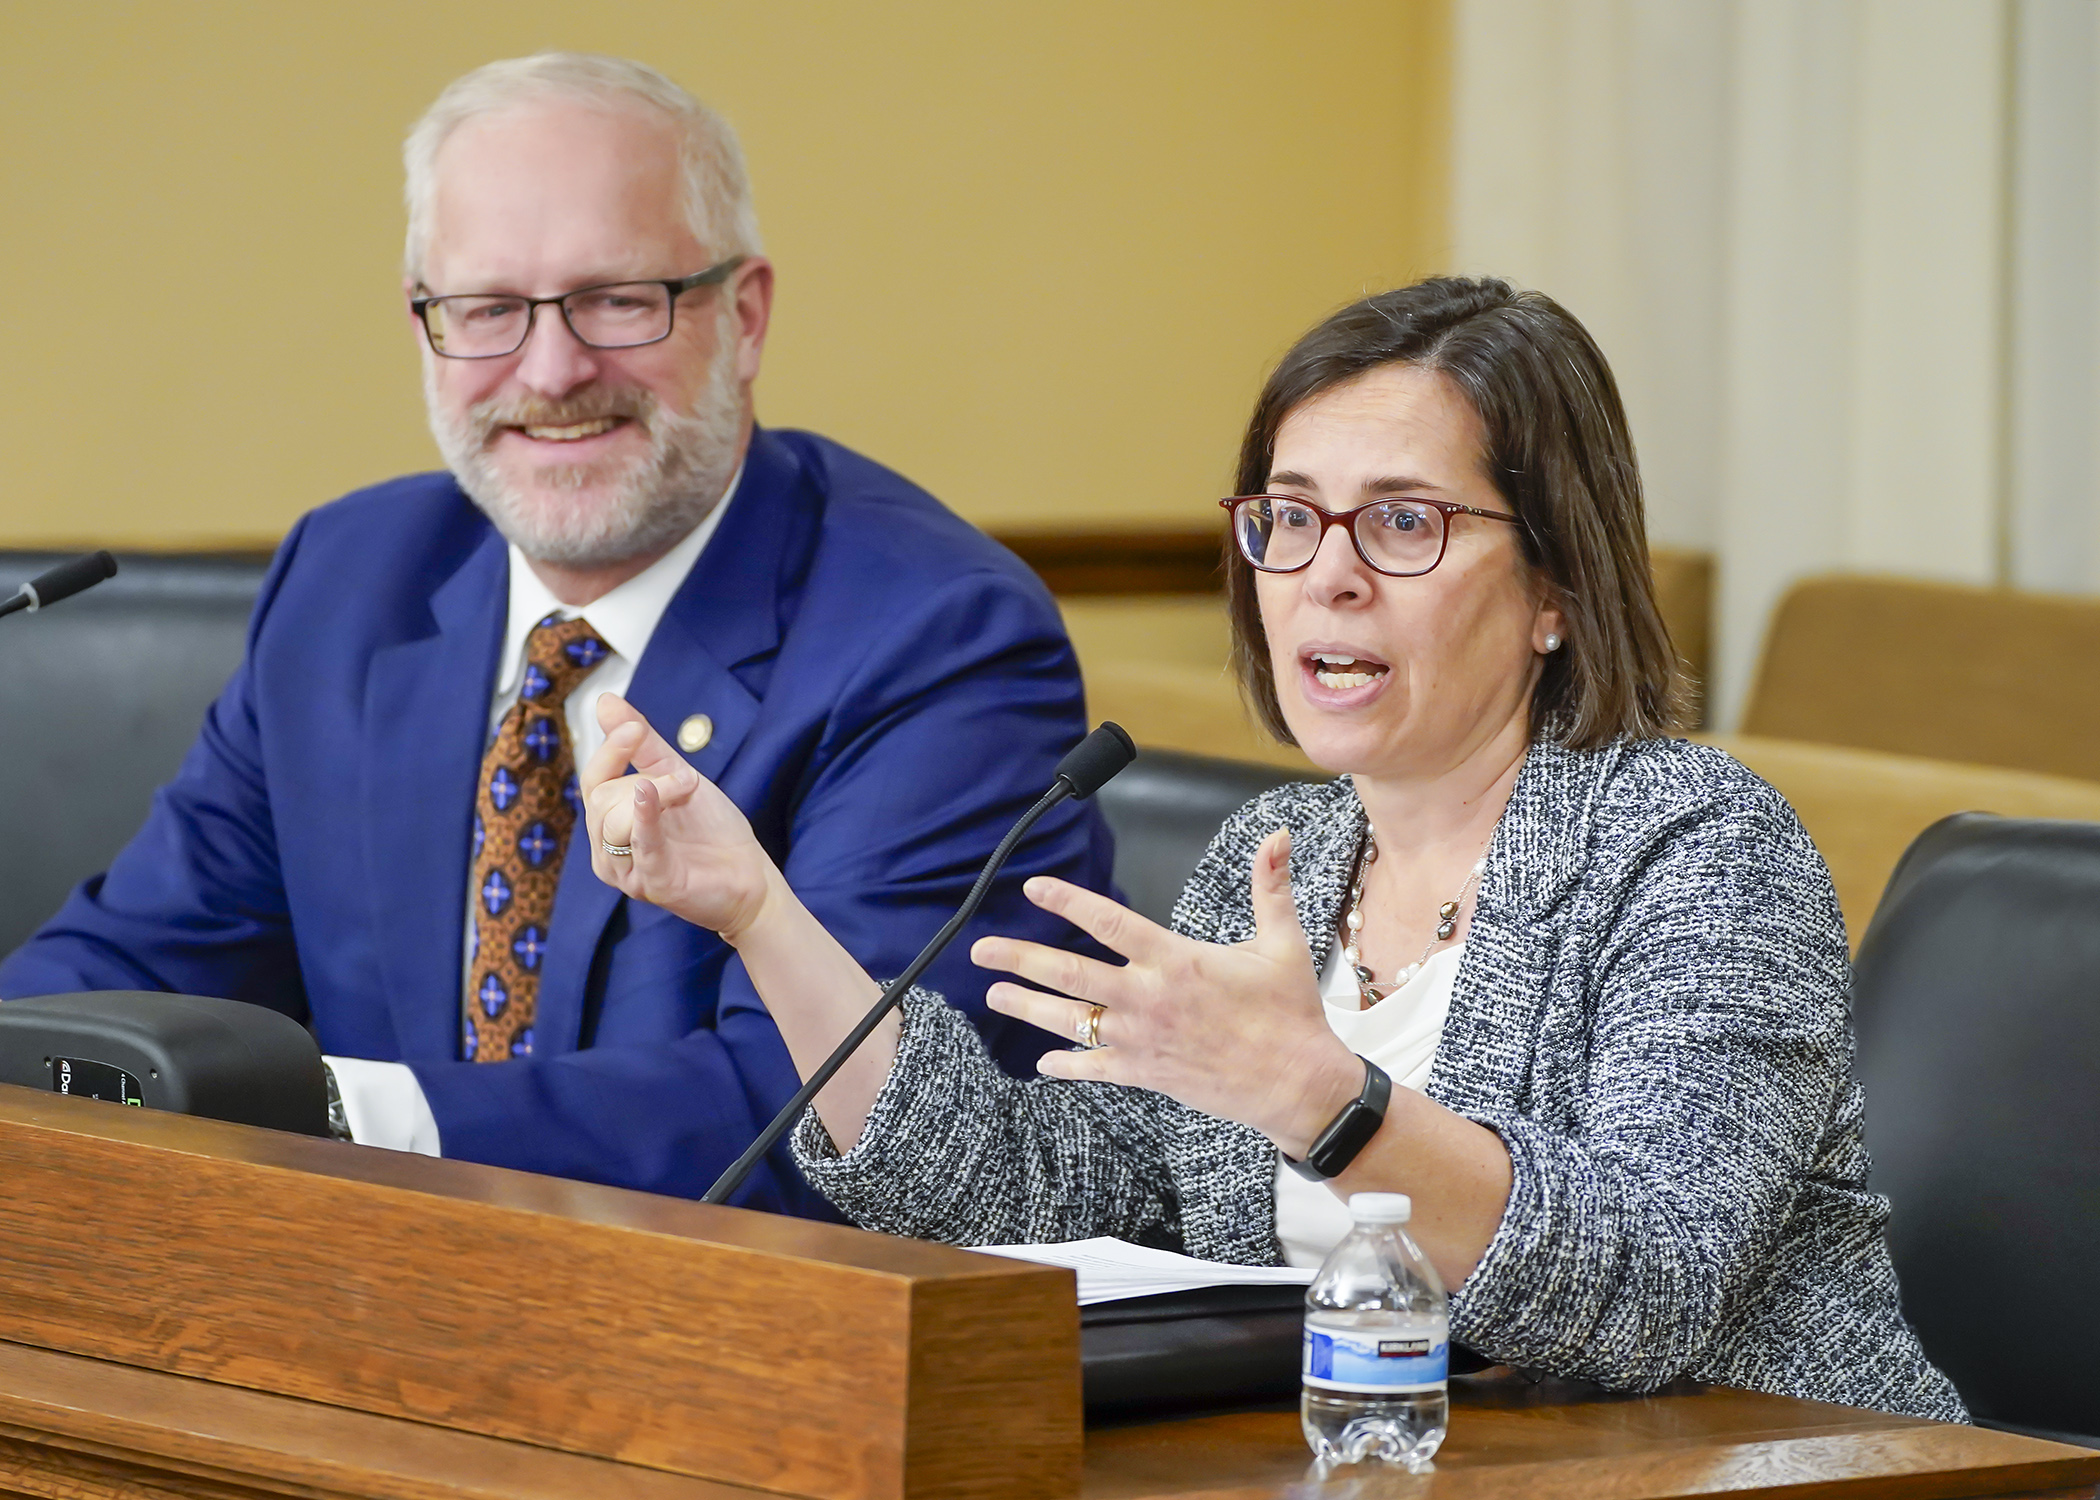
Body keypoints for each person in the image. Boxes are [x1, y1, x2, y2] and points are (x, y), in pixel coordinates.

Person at [576, 277, 1966, 1418]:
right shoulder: (1280, 847)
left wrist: (1327, 1102)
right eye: (1289, 518)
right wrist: (760, 909)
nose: (1328, 573)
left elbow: (1646, 1294)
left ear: (1555, 585)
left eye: (1406, 522)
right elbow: (1049, 1183)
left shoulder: (1698, 848)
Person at [0, 53, 1112, 1216]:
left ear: (743, 316)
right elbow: (136, 962)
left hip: (744, 1349)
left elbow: (824, 1120)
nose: (550, 370)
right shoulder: (350, 579)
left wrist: (345, 1122)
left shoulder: (938, 635)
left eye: (618, 299)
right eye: (486, 309)